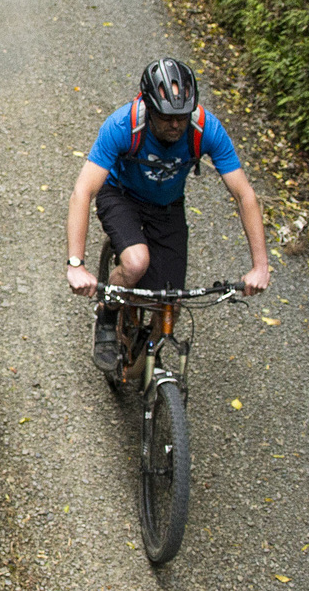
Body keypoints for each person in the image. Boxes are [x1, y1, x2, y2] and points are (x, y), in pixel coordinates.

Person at [64, 57, 272, 368]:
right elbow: (83, 191)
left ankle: (146, 362)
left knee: (169, 300)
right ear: (149, 107)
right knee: (136, 263)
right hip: (121, 195)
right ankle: (107, 317)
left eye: (182, 116)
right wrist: (76, 264)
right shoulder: (123, 126)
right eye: (165, 117)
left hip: (167, 205)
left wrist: (260, 266)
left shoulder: (205, 129)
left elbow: (244, 195)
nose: (175, 124)